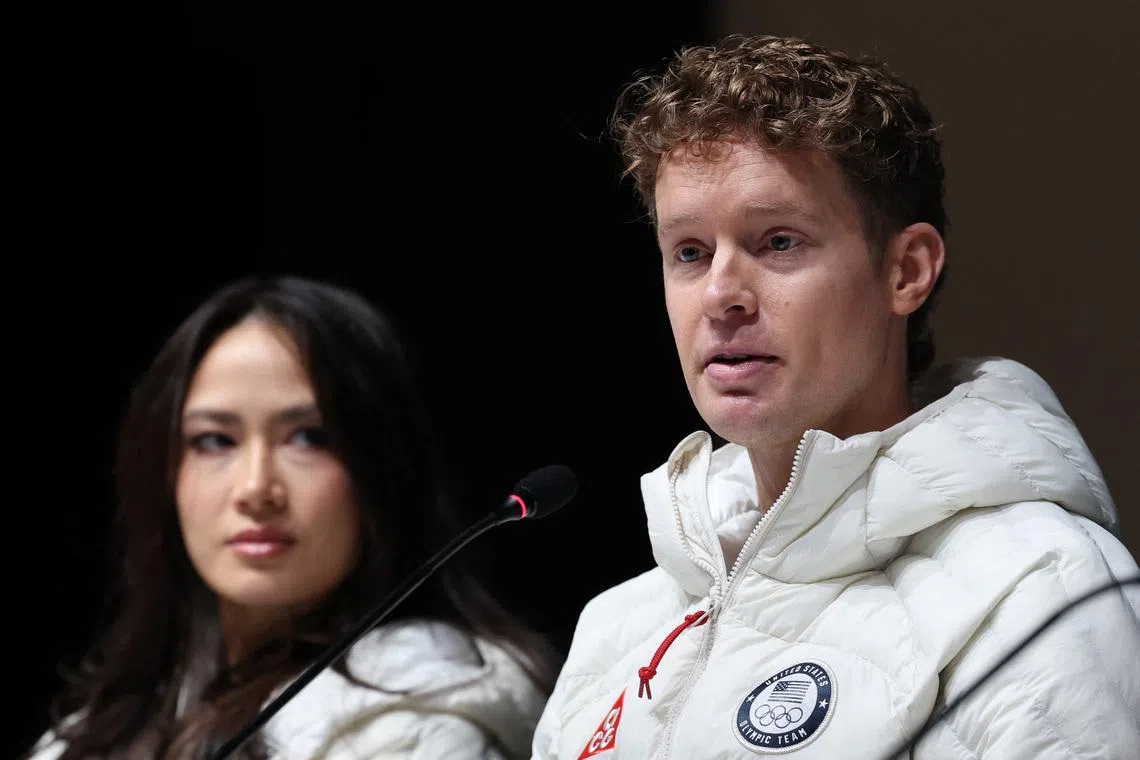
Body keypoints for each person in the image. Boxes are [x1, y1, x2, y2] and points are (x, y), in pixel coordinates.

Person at [531, 33, 1140, 759]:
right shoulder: (617, 628)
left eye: (778, 241)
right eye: (690, 252)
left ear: (906, 271)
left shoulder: (1036, 588)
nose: (721, 294)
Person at [25, 275, 557, 759]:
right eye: (214, 441)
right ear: (164, 474)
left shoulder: (428, 724)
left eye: (308, 437)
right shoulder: (94, 730)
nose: (256, 489)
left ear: (383, 467)